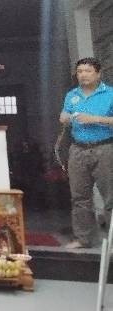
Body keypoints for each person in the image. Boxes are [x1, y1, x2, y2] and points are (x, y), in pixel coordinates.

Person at [59, 57, 113, 249]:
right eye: (80, 71)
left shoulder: (110, 94)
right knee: (80, 197)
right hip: (78, 149)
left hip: (104, 148)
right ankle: (84, 238)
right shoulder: (72, 95)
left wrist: (95, 119)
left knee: (110, 196)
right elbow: (64, 115)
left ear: (98, 74)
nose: (83, 75)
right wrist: (64, 117)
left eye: (88, 71)